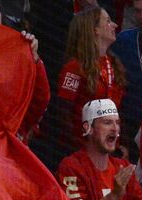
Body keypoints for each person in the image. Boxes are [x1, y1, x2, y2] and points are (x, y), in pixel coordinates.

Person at [54, 7, 125, 151]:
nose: (115, 25)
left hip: (108, 150)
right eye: (108, 21)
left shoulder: (114, 64)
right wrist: (80, 146)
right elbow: (63, 112)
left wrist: (118, 145)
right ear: (95, 29)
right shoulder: (74, 67)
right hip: (80, 151)